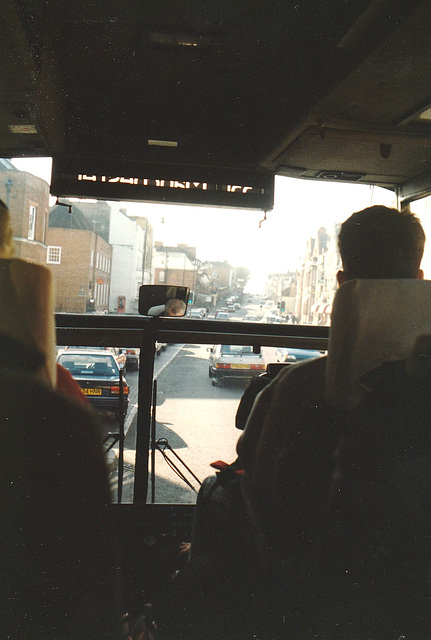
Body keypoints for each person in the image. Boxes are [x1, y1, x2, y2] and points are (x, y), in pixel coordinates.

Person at [236, 205, 426, 498]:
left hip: (315, 540)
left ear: (342, 283)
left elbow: (257, 475)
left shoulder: (297, 384)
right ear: (419, 279)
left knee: (218, 490)